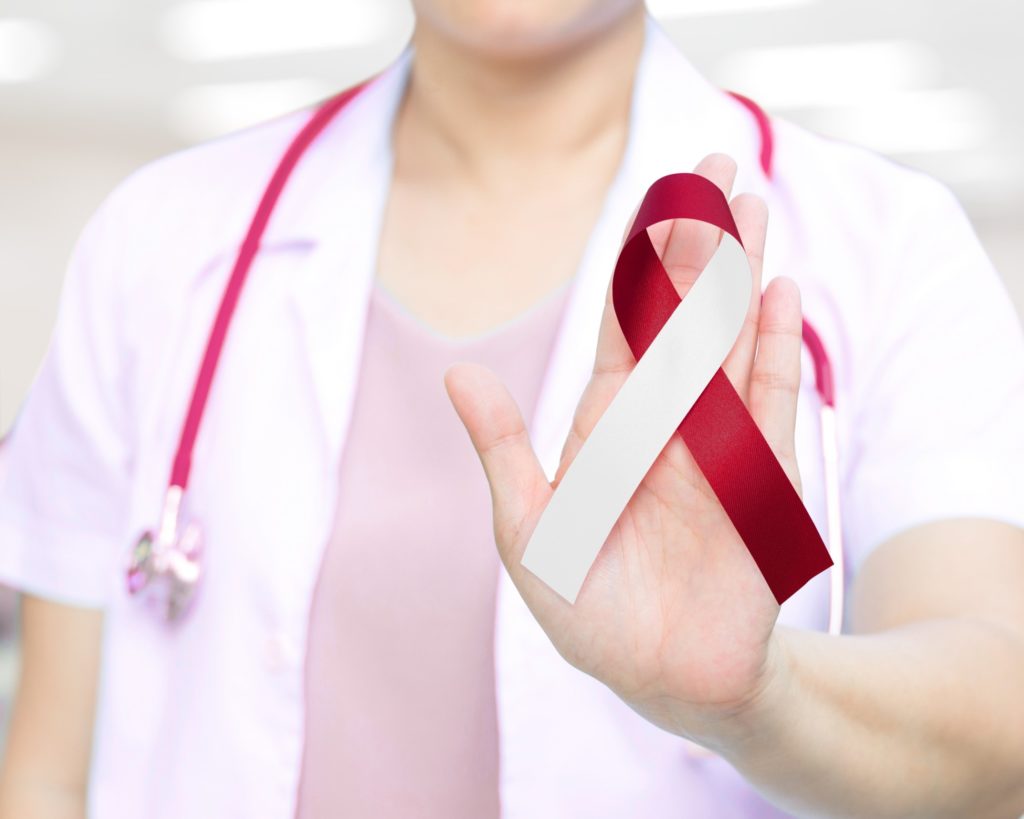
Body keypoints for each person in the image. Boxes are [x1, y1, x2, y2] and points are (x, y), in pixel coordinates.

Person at [1, 1, 1022, 817]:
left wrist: (764, 701)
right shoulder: (162, 244)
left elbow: (996, 729)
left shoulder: (884, 248)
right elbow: (48, 777)